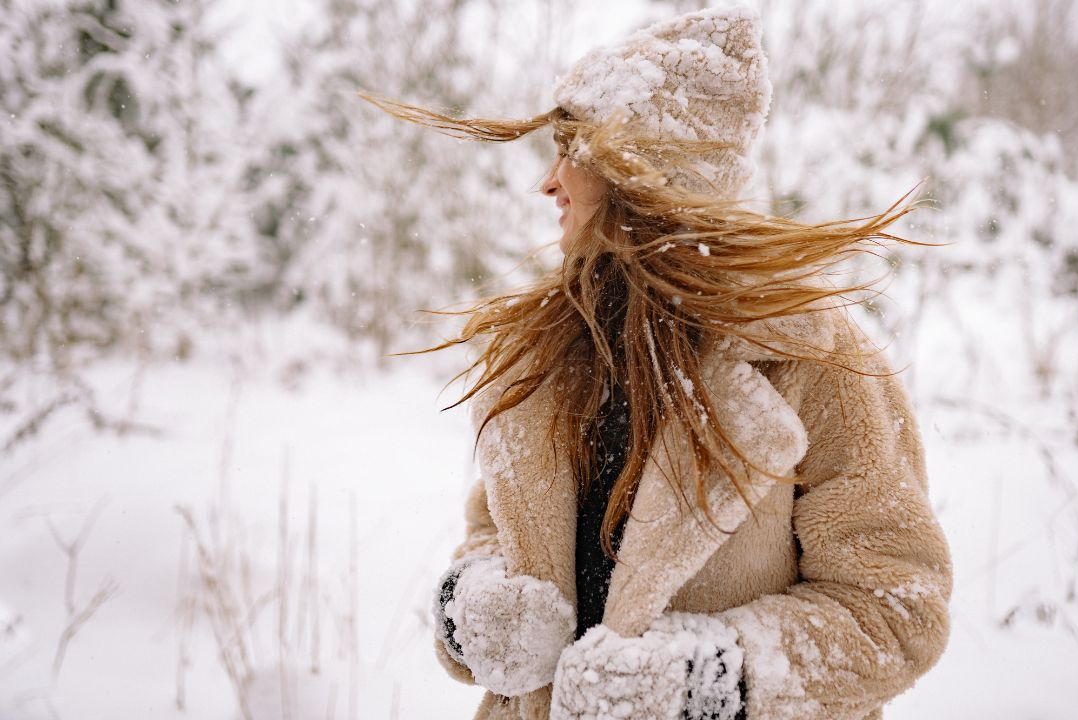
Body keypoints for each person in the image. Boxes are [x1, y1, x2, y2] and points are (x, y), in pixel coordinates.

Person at [362, 5, 952, 719]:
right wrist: (475, 609)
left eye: (571, 153)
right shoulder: (548, 356)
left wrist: (702, 681)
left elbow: (895, 608)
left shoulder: (813, 362)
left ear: (646, 172)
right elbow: (492, 534)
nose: (548, 182)